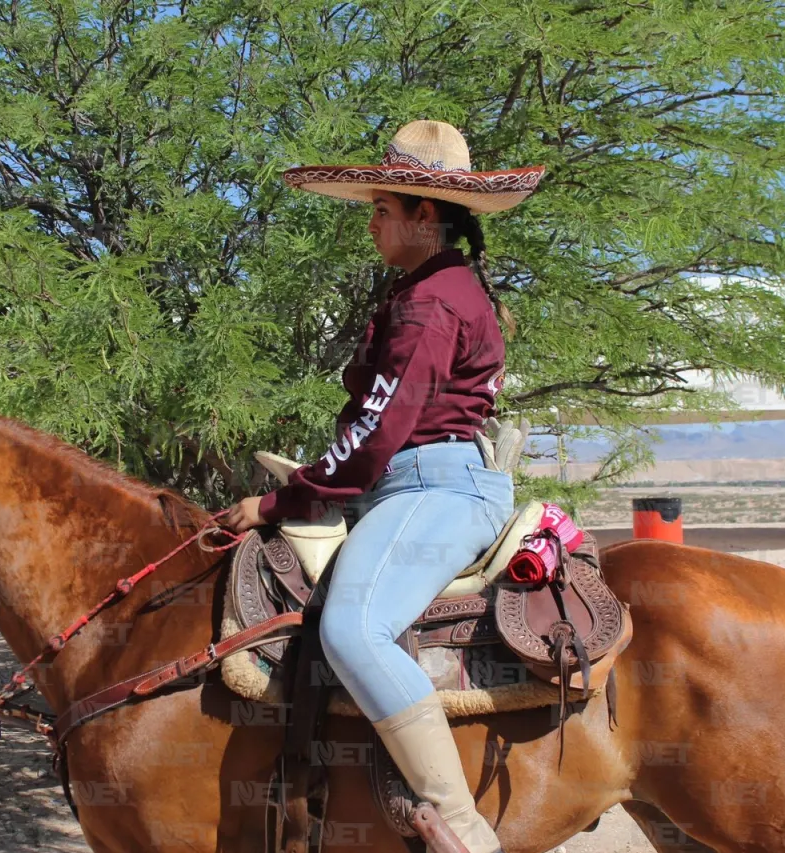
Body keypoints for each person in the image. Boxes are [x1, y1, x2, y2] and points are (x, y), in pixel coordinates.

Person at [224, 120, 542, 853]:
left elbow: (376, 437)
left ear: (424, 216)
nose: (370, 224)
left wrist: (280, 499)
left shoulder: (432, 303)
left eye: (380, 210)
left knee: (350, 628)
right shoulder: (436, 287)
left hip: (432, 486)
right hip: (419, 481)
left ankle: (463, 829)